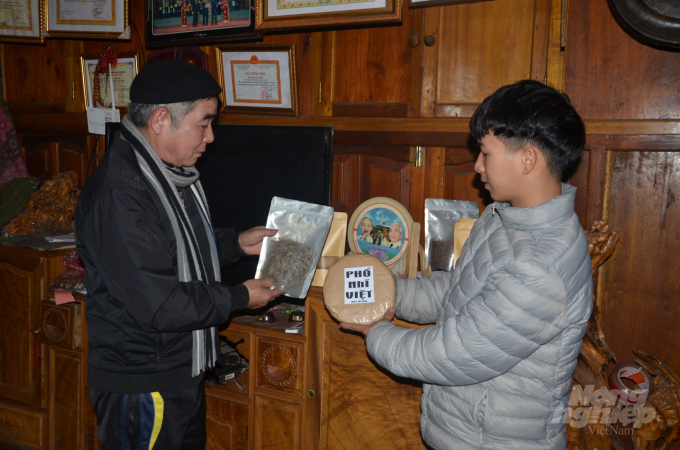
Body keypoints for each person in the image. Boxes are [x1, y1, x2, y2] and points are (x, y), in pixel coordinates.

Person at [341, 80, 592, 450]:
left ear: (527, 159)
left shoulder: (541, 266)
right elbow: (456, 290)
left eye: (485, 154)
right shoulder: (501, 218)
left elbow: (455, 353)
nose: (476, 167)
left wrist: (378, 333)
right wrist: (385, 288)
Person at [75, 59, 284, 450]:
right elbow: (160, 304)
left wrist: (235, 243)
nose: (210, 138)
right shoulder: (121, 193)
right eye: (203, 124)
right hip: (142, 383)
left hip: (175, 371)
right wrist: (240, 296)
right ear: (160, 120)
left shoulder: (161, 172)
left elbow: (177, 245)